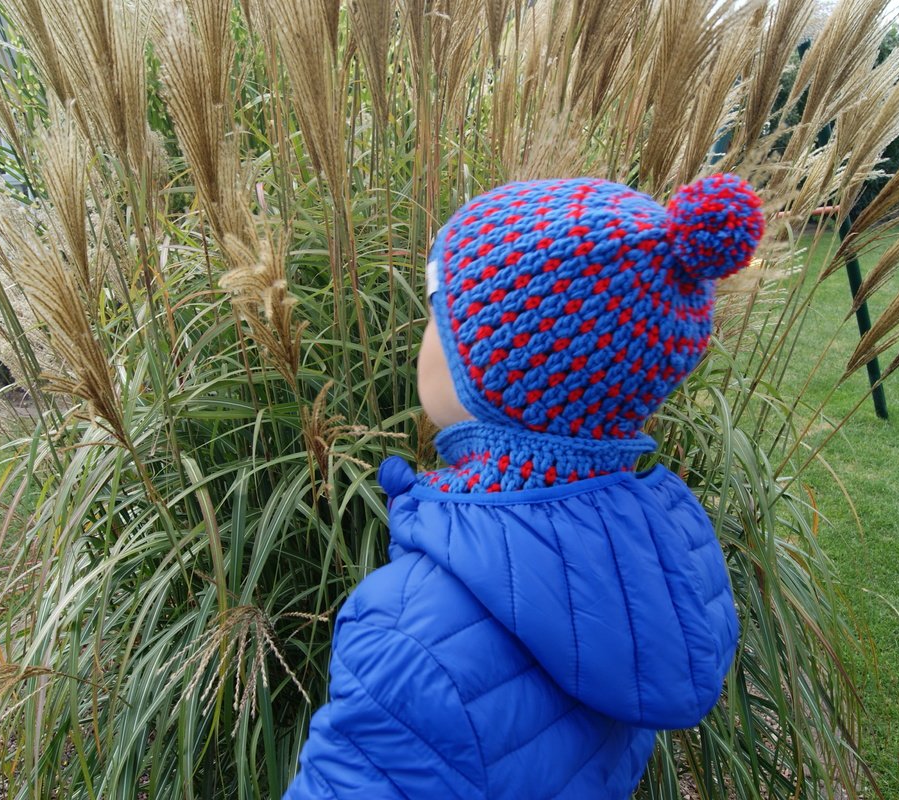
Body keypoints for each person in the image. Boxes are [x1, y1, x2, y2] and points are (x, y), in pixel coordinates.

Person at [283, 174, 764, 799]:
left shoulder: (405, 635)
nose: (423, 331)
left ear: (497, 372)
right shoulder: (661, 551)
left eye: (437, 312)